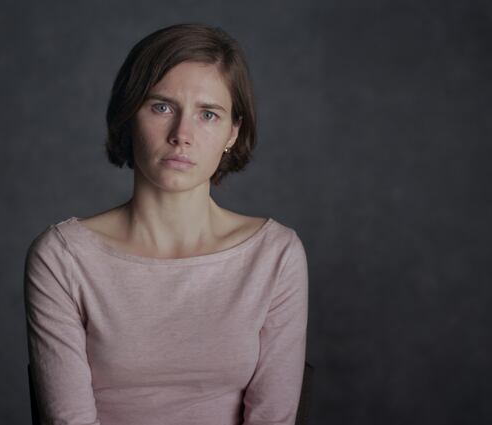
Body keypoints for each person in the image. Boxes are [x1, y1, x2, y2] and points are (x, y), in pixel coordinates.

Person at [24, 23, 309, 425]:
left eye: (208, 114)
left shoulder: (276, 255)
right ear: (128, 116)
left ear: (233, 132)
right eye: (162, 107)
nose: (182, 135)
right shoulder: (62, 257)